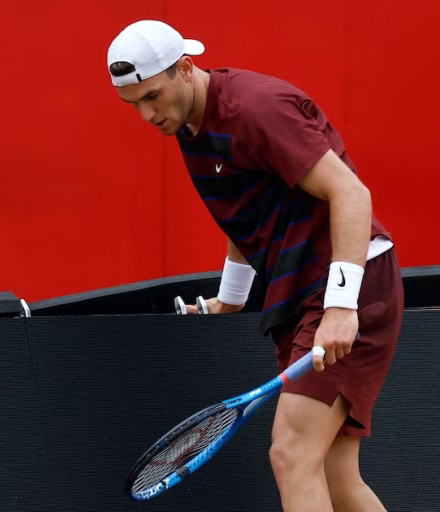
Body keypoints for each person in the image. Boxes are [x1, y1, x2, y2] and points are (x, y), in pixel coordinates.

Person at [107, 20, 404, 512]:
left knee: (291, 455)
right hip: (304, 298)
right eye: (133, 104)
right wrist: (232, 297)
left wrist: (340, 305)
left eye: (152, 96)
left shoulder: (256, 108)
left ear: (185, 69)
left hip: (346, 287)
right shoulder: (189, 124)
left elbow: (351, 193)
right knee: (333, 474)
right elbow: (247, 213)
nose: (145, 115)